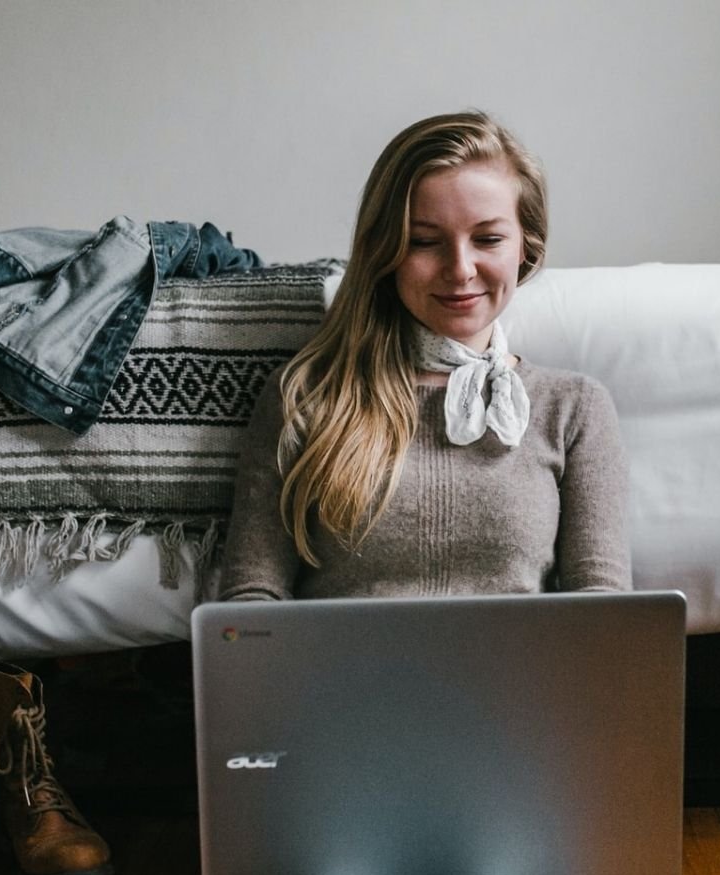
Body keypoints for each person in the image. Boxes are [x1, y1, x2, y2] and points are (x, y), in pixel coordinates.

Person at [215, 110, 631, 603]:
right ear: (386, 253)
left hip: (521, 659)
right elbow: (252, 598)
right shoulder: (306, 397)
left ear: (527, 247)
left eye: (488, 239)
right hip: (344, 658)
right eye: (425, 242)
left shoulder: (574, 408)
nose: (460, 269)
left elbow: (603, 612)